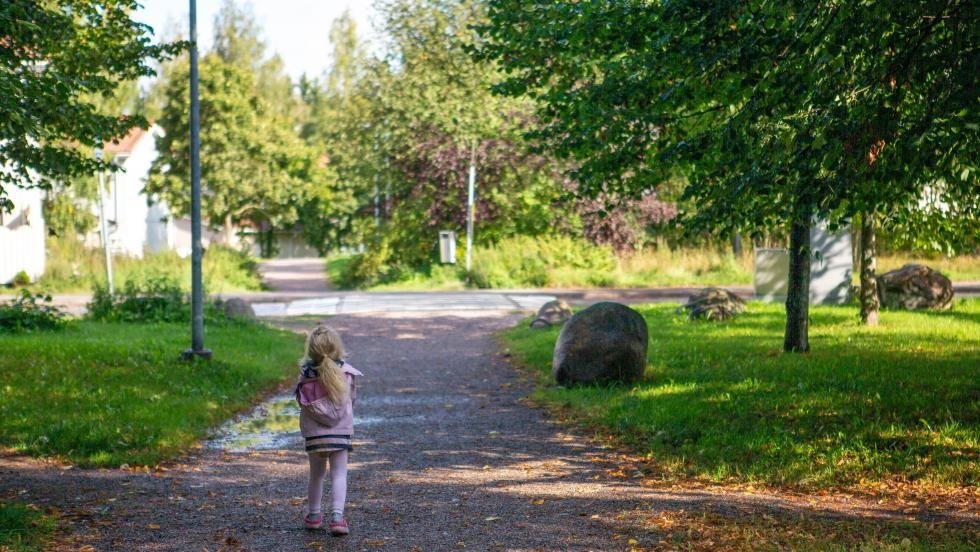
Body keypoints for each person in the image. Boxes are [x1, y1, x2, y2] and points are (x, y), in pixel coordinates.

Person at [295, 324, 362, 536]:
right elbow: (351, 400)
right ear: (337, 348)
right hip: (340, 434)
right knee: (339, 474)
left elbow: (302, 402)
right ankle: (337, 517)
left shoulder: (305, 376)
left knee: (316, 475)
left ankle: (314, 516)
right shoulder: (346, 374)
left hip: (315, 436)